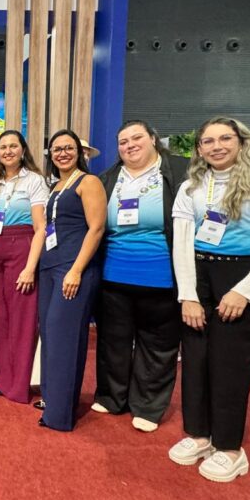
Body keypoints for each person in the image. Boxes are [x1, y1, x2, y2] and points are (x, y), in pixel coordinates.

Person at [170, 116, 250, 482]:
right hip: (198, 273)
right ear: (199, 149)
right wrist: (188, 294)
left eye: (225, 138)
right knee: (195, 360)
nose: (217, 146)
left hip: (242, 275)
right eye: (208, 141)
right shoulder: (191, 187)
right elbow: (182, 242)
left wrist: (244, 291)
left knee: (231, 364)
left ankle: (229, 448)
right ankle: (198, 434)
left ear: (241, 141)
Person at [94, 120, 189, 432]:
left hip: (161, 278)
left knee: (158, 346)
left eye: (137, 138)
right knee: (113, 342)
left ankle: (148, 406)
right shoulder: (108, 178)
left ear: (153, 140)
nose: (129, 145)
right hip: (113, 277)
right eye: (123, 142)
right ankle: (111, 396)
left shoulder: (179, 172)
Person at [36, 130, 106, 431]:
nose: (62, 153)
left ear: (79, 151)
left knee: (64, 339)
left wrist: (76, 270)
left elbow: (96, 228)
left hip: (72, 268)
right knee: (50, 336)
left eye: (68, 148)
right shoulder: (56, 186)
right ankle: (52, 399)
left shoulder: (88, 182)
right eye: (56, 149)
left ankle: (59, 415)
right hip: (49, 267)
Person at [0, 130, 49, 404]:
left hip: (21, 249)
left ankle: (19, 384)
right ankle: (4, 377)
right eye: (3, 147)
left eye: (13, 146)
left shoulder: (35, 181)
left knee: (22, 321)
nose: (8, 151)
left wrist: (30, 267)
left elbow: (41, 227)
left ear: (23, 150)